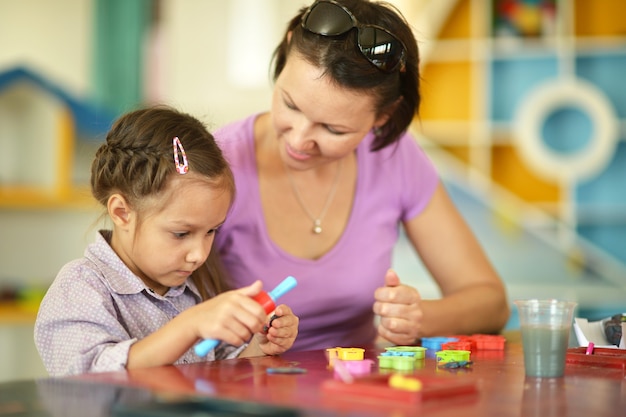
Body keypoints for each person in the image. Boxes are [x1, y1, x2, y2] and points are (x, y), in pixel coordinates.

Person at [213, 0, 509, 351]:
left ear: (383, 117)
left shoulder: (392, 155)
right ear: (287, 46)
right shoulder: (217, 165)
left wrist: (418, 317)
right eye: (290, 104)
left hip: (354, 389)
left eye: (334, 130)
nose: (299, 139)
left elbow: (491, 303)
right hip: (242, 390)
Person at [34, 106, 299, 376]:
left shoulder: (192, 288)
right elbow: (90, 377)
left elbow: (223, 372)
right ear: (122, 213)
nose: (198, 254)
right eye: (181, 234)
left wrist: (259, 346)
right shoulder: (81, 287)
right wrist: (189, 325)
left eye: (211, 231)